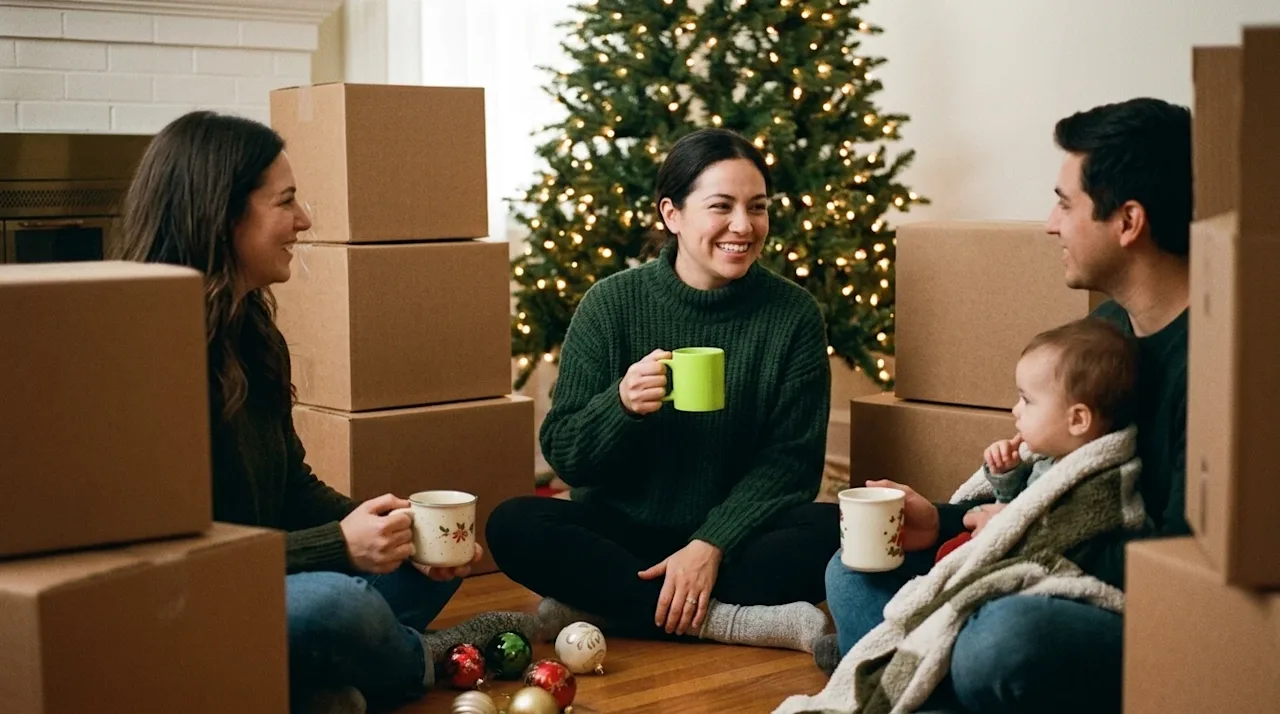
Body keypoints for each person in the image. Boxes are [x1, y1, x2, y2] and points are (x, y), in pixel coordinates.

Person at [115, 111, 533, 714]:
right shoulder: (143, 356)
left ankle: (319, 679)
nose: (304, 220)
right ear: (223, 215)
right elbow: (178, 565)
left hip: (271, 585)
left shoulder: (253, 333)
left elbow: (293, 487)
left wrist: (396, 532)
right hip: (189, 606)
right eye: (285, 202)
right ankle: (425, 658)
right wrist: (339, 545)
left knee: (432, 549)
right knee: (339, 605)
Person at [817, 97, 1191, 714]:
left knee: (1001, 641)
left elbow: (1185, 571)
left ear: (1128, 222)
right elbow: (1052, 481)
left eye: (1065, 204)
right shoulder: (1105, 332)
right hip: (1031, 565)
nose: (1050, 224)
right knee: (852, 572)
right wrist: (939, 520)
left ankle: (911, 676)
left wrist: (1024, 539)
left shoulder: (1216, 363)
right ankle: (920, 682)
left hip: (1115, 604)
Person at [486, 128, 839, 653]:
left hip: (734, 542)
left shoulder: (793, 316)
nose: (743, 226)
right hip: (623, 535)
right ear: (671, 214)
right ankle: (726, 621)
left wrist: (710, 543)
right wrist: (621, 405)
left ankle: (606, 606)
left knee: (844, 530)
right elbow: (566, 455)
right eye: (721, 206)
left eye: (757, 207)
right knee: (512, 523)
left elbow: (791, 464)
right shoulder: (610, 305)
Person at [935, 318, 1142, 562]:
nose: (1016, 410)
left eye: (1027, 400)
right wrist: (1007, 473)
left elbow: (1063, 535)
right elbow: (1021, 502)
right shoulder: (1048, 460)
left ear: (1076, 420)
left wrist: (1008, 522)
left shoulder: (1099, 483)